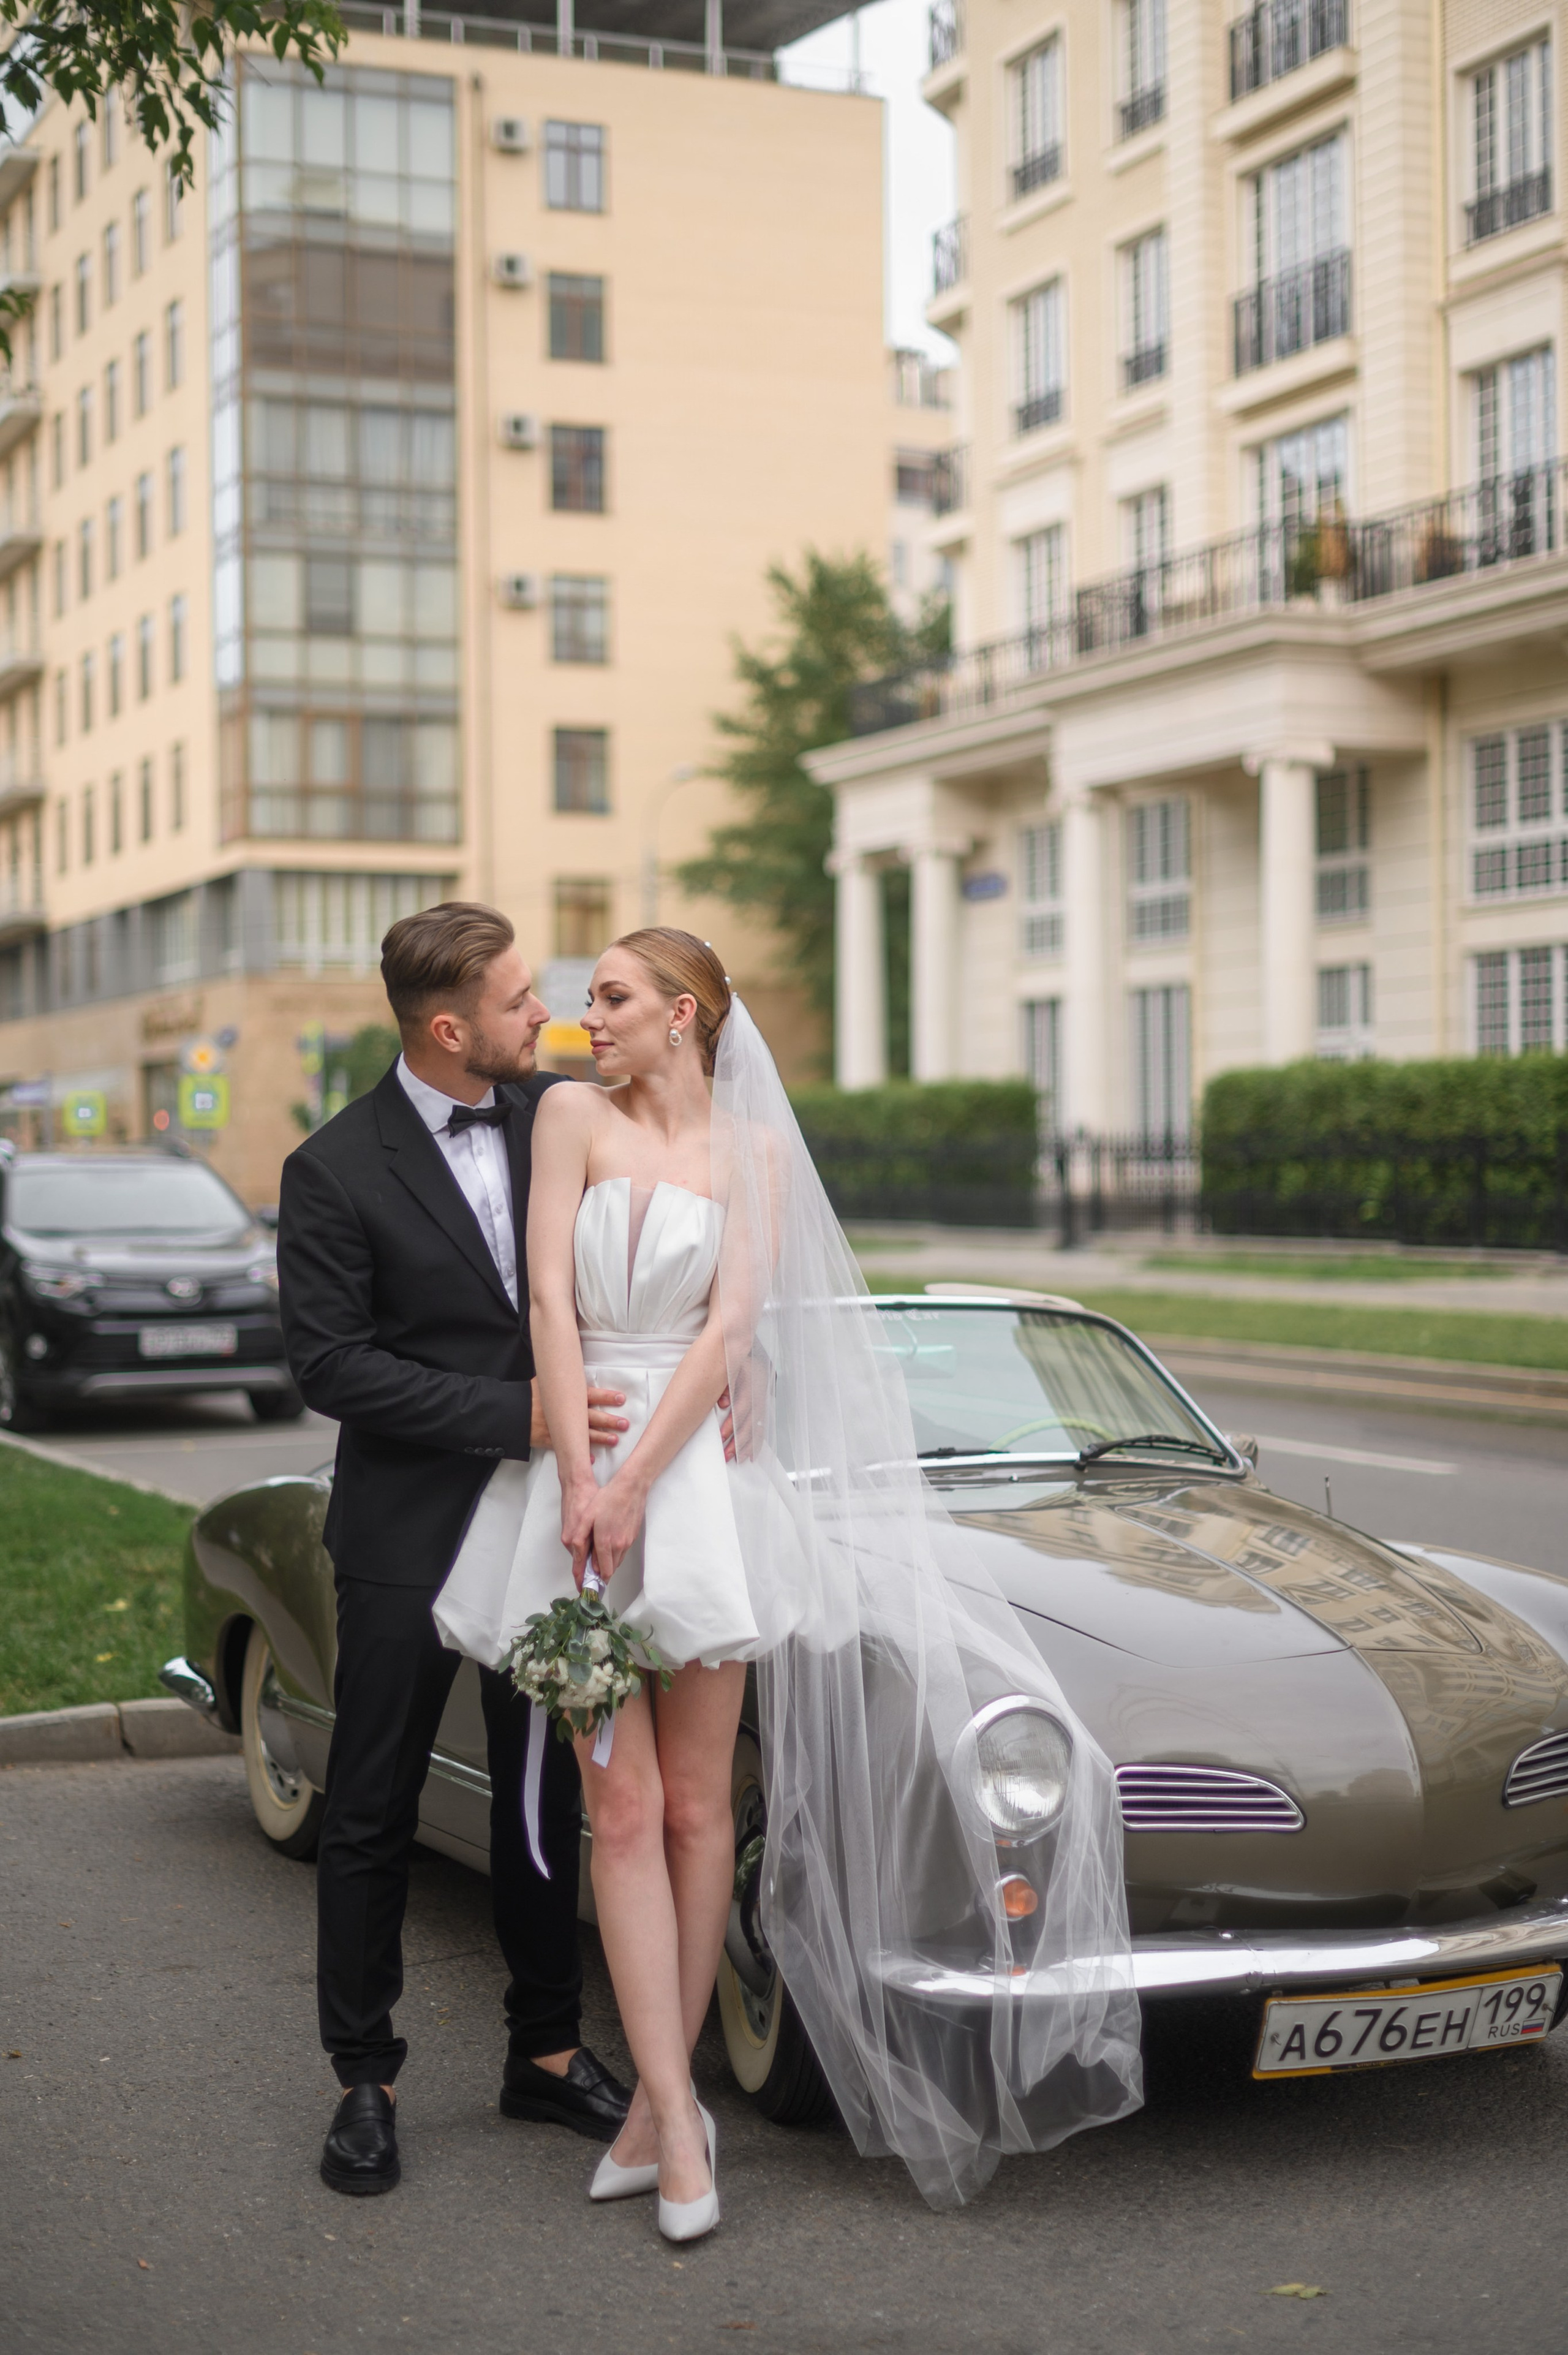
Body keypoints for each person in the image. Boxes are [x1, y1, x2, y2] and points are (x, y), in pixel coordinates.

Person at [435, 928, 1144, 2229]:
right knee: (626, 1812)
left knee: (705, 1808)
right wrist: (584, 1479)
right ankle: (682, 2127)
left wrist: (644, 1473)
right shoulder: (567, 1119)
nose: (587, 1016)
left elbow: (727, 1324)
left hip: (696, 1480)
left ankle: (659, 2107)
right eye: (585, 996)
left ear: (685, 1014)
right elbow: (545, 1290)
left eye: (613, 996)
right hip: (575, 1469)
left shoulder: (752, 1151)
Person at [277, 901, 635, 2199]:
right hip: (407, 1537)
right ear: (446, 1027)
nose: (538, 1016)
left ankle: (543, 2051)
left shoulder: (557, 1114)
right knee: (368, 1804)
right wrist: (513, 1414)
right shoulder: (329, 1168)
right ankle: (362, 2077)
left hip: (549, 1522)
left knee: (540, 1798)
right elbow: (333, 1364)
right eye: (514, 1000)